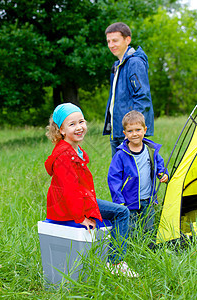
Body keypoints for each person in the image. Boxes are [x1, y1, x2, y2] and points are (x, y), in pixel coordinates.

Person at [45, 103, 137, 276]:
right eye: (72, 124)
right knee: (122, 213)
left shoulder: (75, 149)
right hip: (69, 206)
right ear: (61, 130)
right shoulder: (65, 155)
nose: (79, 127)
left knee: (112, 214)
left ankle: (107, 259)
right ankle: (115, 262)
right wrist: (80, 217)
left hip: (81, 200)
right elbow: (69, 191)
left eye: (81, 121)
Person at [107, 110, 168, 236]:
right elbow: (113, 179)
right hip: (129, 201)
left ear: (145, 130)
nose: (134, 134)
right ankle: (132, 248)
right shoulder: (121, 155)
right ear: (124, 133)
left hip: (148, 198)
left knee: (149, 229)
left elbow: (159, 164)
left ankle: (148, 247)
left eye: (138, 130)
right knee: (131, 230)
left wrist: (163, 173)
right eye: (130, 131)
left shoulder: (151, 150)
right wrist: (119, 200)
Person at [103, 22, 154, 157]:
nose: (111, 45)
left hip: (131, 134)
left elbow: (142, 97)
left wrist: (132, 130)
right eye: (108, 41)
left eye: (115, 40)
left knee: (134, 175)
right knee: (119, 174)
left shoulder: (134, 63)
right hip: (118, 131)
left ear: (127, 40)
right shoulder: (117, 66)